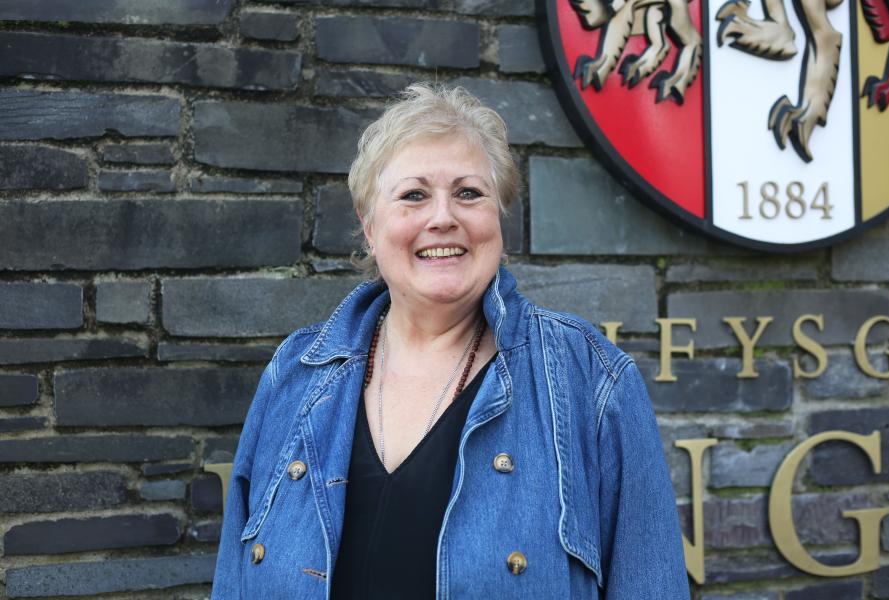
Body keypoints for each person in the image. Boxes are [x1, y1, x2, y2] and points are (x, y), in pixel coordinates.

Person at [211, 83, 689, 599]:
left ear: (498, 219)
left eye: (468, 193)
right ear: (369, 227)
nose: (443, 217)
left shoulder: (591, 380)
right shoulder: (296, 374)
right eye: (414, 195)